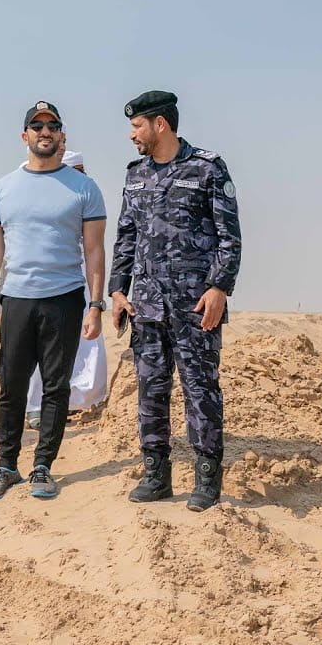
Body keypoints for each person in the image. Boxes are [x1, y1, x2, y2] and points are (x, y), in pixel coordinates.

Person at [109, 90, 242, 512]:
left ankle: (206, 478)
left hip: (195, 305)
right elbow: (126, 236)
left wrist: (219, 287)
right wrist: (117, 290)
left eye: (136, 126)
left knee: (201, 388)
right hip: (146, 304)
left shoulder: (207, 168)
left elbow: (230, 236)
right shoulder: (135, 174)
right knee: (151, 388)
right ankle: (157, 474)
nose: (132, 134)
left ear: (159, 124)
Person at [0, 102, 107, 502]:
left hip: (64, 300)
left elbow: (95, 251)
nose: (44, 131)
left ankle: (43, 467)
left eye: (52, 126)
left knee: (55, 387)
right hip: (16, 300)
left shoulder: (84, 188)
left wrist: (96, 305)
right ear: (25, 136)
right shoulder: (3, 187)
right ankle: (6, 466)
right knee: (11, 387)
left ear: (62, 136)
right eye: (37, 126)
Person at [23, 151, 108, 429]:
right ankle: (38, 405)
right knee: (43, 346)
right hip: (47, 285)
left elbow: (96, 248)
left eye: (84, 170)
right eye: (76, 170)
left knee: (86, 345)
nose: (82, 176)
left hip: (82, 285)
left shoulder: (89, 198)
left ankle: (82, 401)